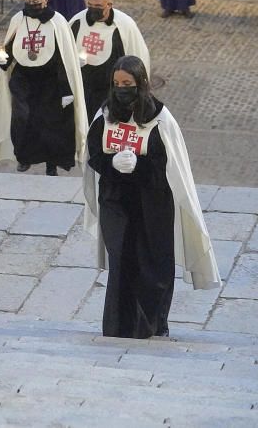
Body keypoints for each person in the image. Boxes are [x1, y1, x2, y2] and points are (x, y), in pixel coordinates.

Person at [83, 55, 220, 339]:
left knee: (153, 262)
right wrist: (111, 164)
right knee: (121, 262)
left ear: (140, 83)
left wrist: (139, 164)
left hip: (153, 201)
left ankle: (154, 323)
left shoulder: (160, 118)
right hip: (116, 201)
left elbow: (169, 162)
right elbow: (94, 154)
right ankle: (119, 326)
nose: (121, 89)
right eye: (117, 84)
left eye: (127, 83)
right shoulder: (104, 115)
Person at [0, 0, 87, 177]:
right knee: (22, 119)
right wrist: (3, 60)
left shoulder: (57, 22)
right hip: (23, 79)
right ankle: (24, 157)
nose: (32, 6)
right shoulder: (18, 19)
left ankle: (51, 163)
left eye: (37, 2)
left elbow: (64, 58)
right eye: (29, 2)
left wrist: (66, 90)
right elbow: (10, 48)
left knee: (50, 124)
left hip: (50, 81)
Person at [70, 0, 151, 125]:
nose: (93, 9)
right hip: (84, 91)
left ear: (109, 5)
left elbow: (138, 56)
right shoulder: (77, 21)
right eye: (90, 5)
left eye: (98, 6)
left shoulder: (125, 25)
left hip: (113, 92)